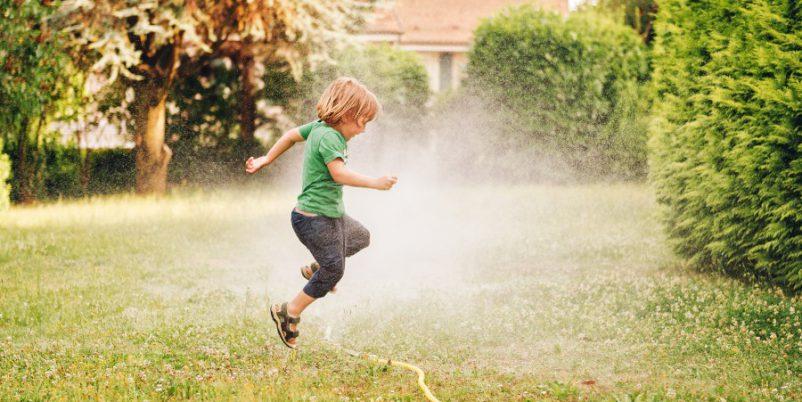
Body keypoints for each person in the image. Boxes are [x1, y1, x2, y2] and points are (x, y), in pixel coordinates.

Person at [245, 77, 398, 348]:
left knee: (361, 237)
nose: (364, 130)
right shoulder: (329, 136)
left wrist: (267, 158)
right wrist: (374, 183)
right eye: (363, 121)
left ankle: (317, 269)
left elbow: (291, 135)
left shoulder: (319, 128)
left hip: (329, 216)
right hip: (313, 220)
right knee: (335, 269)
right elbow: (338, 173)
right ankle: (288, 311)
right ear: (347, 113)